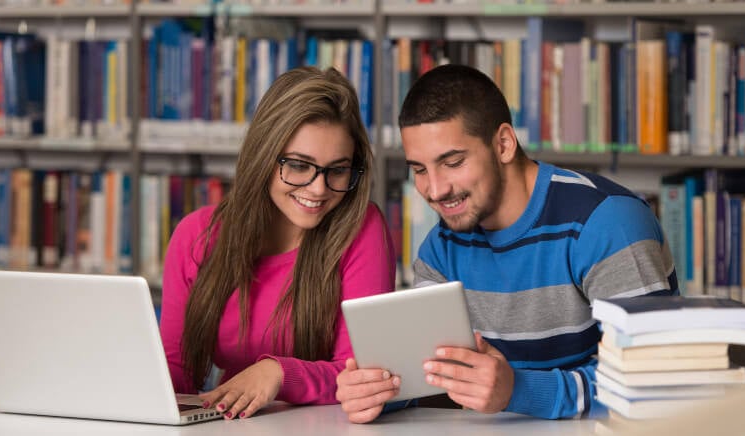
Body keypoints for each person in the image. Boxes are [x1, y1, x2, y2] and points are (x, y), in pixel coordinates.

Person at [336, 64, 678, 423]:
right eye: (419, 170)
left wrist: (518, 390)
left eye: (452, 162)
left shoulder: (607, 223)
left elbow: (650, 381)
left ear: (503, 144)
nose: (435, 190)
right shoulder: (442, 246)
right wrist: (378, 392)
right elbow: (432, 375)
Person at [160, 66, 396, 420]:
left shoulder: (362, 228)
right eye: (300, 166)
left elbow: (361, 377)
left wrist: (278, 373)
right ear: (263, 157)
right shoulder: (196, 236)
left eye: (337, 170)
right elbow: (176, 369)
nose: (318, 189)